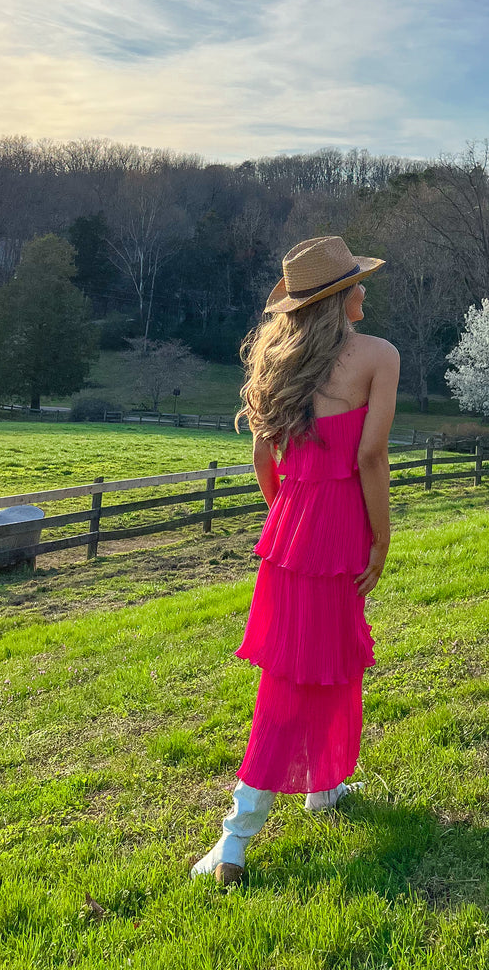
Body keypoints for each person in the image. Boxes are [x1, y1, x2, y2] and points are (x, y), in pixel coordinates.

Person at [191, 235, 400, 884]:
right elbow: (370, 457)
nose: (364, 290)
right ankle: (235, 836)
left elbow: (263, 458)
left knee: (327, 655)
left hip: (291, 527)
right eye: (356, 283)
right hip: (340, 526)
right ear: (337, 299)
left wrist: (289, 510)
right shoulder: (378, 356)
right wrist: (381, 537)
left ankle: (323, 784)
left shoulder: (282, 362)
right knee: (291, 679)